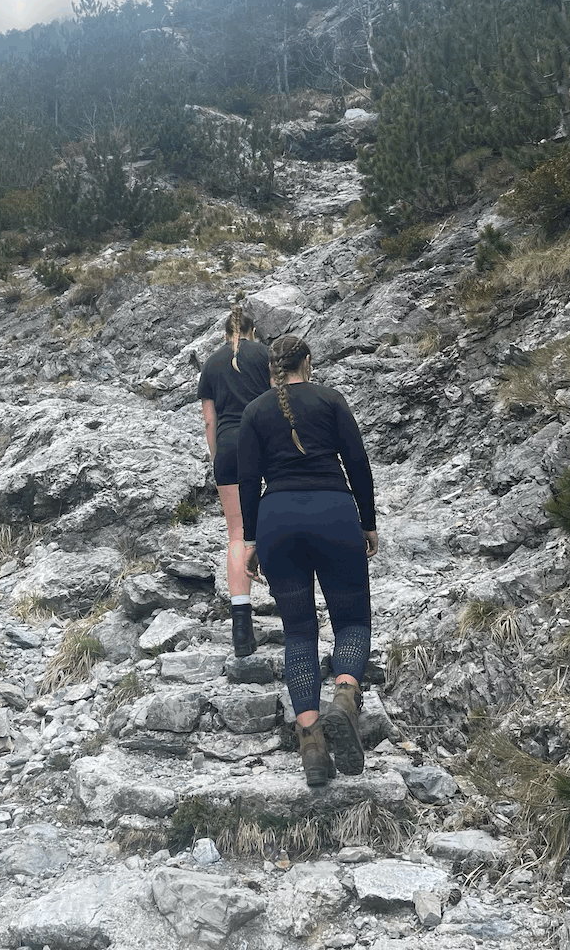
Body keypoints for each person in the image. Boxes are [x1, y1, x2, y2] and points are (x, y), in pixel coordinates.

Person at [237, 333, 377, 787]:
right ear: (308, 363)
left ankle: (312, 743)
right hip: (334, 515)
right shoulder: (331, 400)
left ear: (273, 369)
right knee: (351, 621)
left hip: (278, 521)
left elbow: (246, 481)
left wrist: (254, 540)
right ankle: (345, 696)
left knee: (299, 633)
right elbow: (357, 464)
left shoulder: (255, 412)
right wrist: (367, 522)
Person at [198, 304, 272, 657]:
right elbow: (279, 399)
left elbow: (209, 422)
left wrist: (217, 458)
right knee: (278, 522)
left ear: (226, 334)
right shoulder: (265, 355)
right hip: (266, 444)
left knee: (238, 534)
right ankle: (290, 607)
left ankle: (242, 628)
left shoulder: (211, 363)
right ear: (252, 332)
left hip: (228, 447)